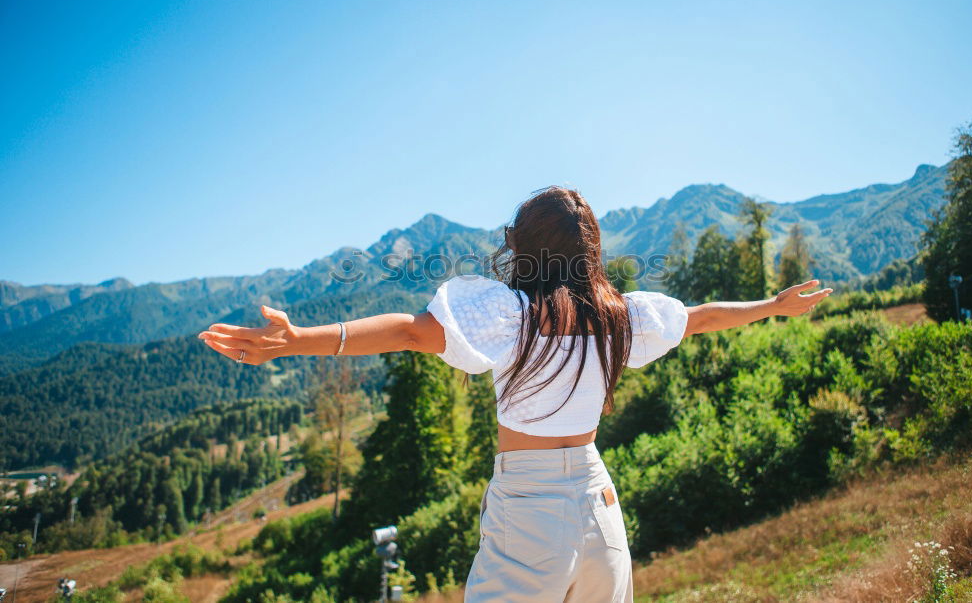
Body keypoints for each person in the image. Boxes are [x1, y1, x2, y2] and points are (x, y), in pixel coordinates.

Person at [197, 185, 833, 602]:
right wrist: (773, 306)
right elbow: (702, 316)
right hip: (599, 502)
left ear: (527, 247)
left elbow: (410, 333)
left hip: (530, 505)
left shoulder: (510, 316)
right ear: (589, 253)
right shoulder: (620, 318)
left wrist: (299, 337)